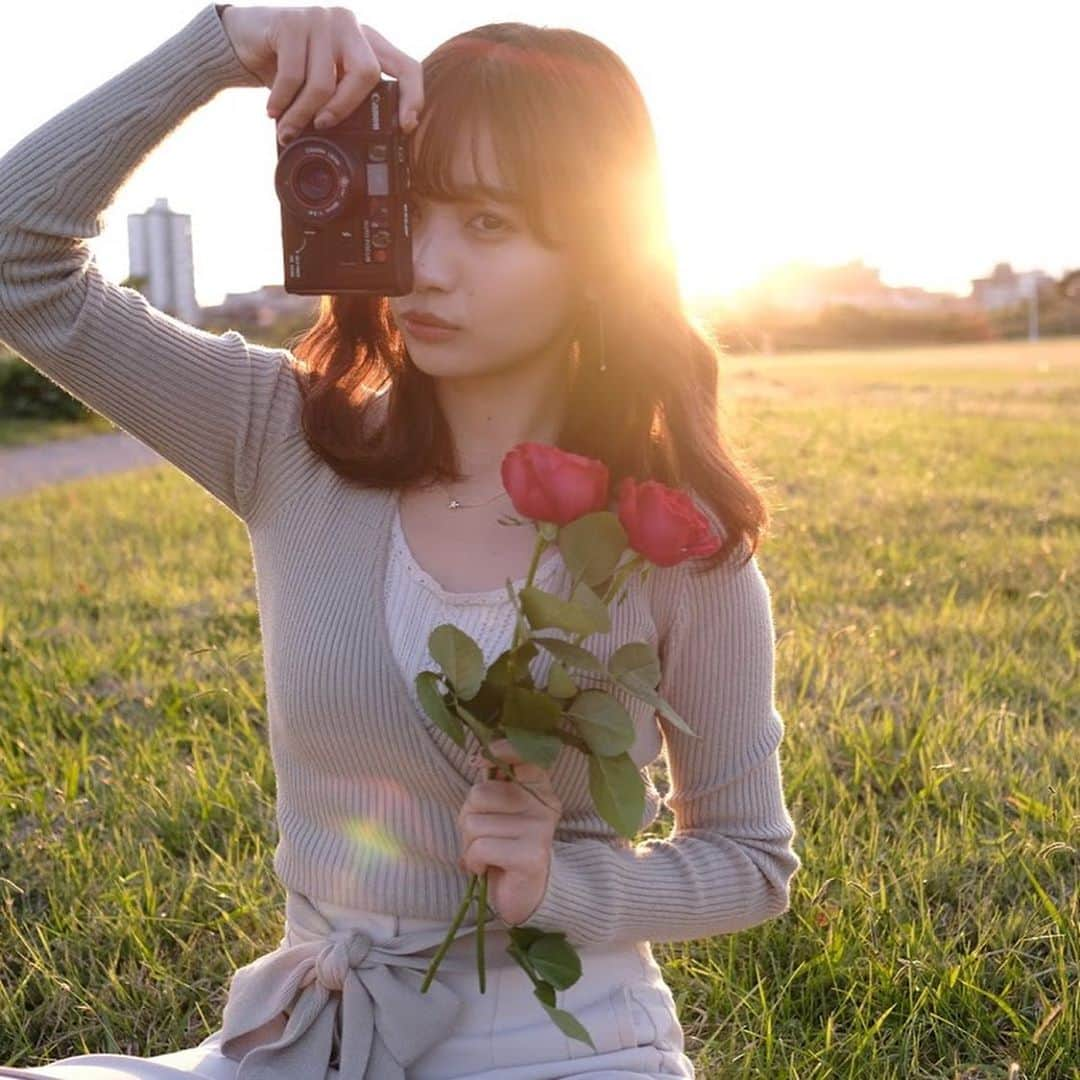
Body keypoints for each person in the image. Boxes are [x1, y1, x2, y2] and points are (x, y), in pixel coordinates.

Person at [0, 3, 802, 1077]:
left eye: (488, 224)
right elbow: (21, 260)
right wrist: (227, 43)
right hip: (318, 1028)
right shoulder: (281, 435)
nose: (423, 264)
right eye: (408, 205)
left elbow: (752, 862)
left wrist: (564, 886)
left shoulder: (677, 543)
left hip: (566, 1039)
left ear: (601, 254)